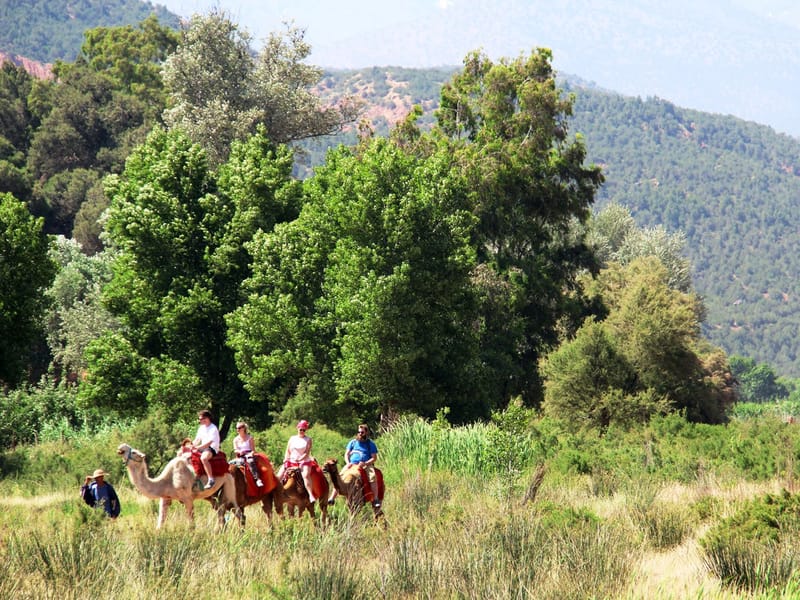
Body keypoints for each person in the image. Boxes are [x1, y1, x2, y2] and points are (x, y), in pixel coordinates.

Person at [328, 423, 380, 508]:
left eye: (362, 432)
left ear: (366, 433)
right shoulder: (353, 442)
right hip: (352, 463)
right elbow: (346, 454)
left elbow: (374, 458)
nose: (360, 434)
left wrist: (365, 463)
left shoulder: (370, 444)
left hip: (365, 464)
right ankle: (332, 497)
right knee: (339, 477)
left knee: (372, 477)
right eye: (359, 432)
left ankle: (375, 499)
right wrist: (348, 462)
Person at [276, 419, 317, 503]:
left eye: (304, 429)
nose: (302, 431)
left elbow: (307, 453)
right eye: (300, 429)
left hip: (304, 461)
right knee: (279, 475)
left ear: (306, 430)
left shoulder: (308, 439)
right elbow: (287, 450)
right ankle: (275, 492)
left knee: (305, 475)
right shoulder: (292, 438)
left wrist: (300, 459)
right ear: (297, 428)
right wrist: (286, 458)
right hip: (291, 460)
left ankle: (310, 494)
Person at [192, 409, 221, 489]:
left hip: (211, 448)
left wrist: (198, 448)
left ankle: (211, 479)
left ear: (207, 418)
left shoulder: (213, 428)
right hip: (202, 447)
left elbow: (209, 443)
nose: (200, 420)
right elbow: (197, 439)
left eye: (201, 419)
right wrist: (191, 445)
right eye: (199, 419)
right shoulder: (201, 428)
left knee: (204, 458)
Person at [232, 421, 264, 487]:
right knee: (230, 464)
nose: (237, 429)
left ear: (244, 428)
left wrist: (250, 454)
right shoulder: (235, 439)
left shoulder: (250, 438)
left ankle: (257, 479)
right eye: (237, 428)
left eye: (239, 428)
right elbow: (235, 449)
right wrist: (239, 451)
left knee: (250, 461)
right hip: (240, 456)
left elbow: (253, 450)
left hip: (249, 454)